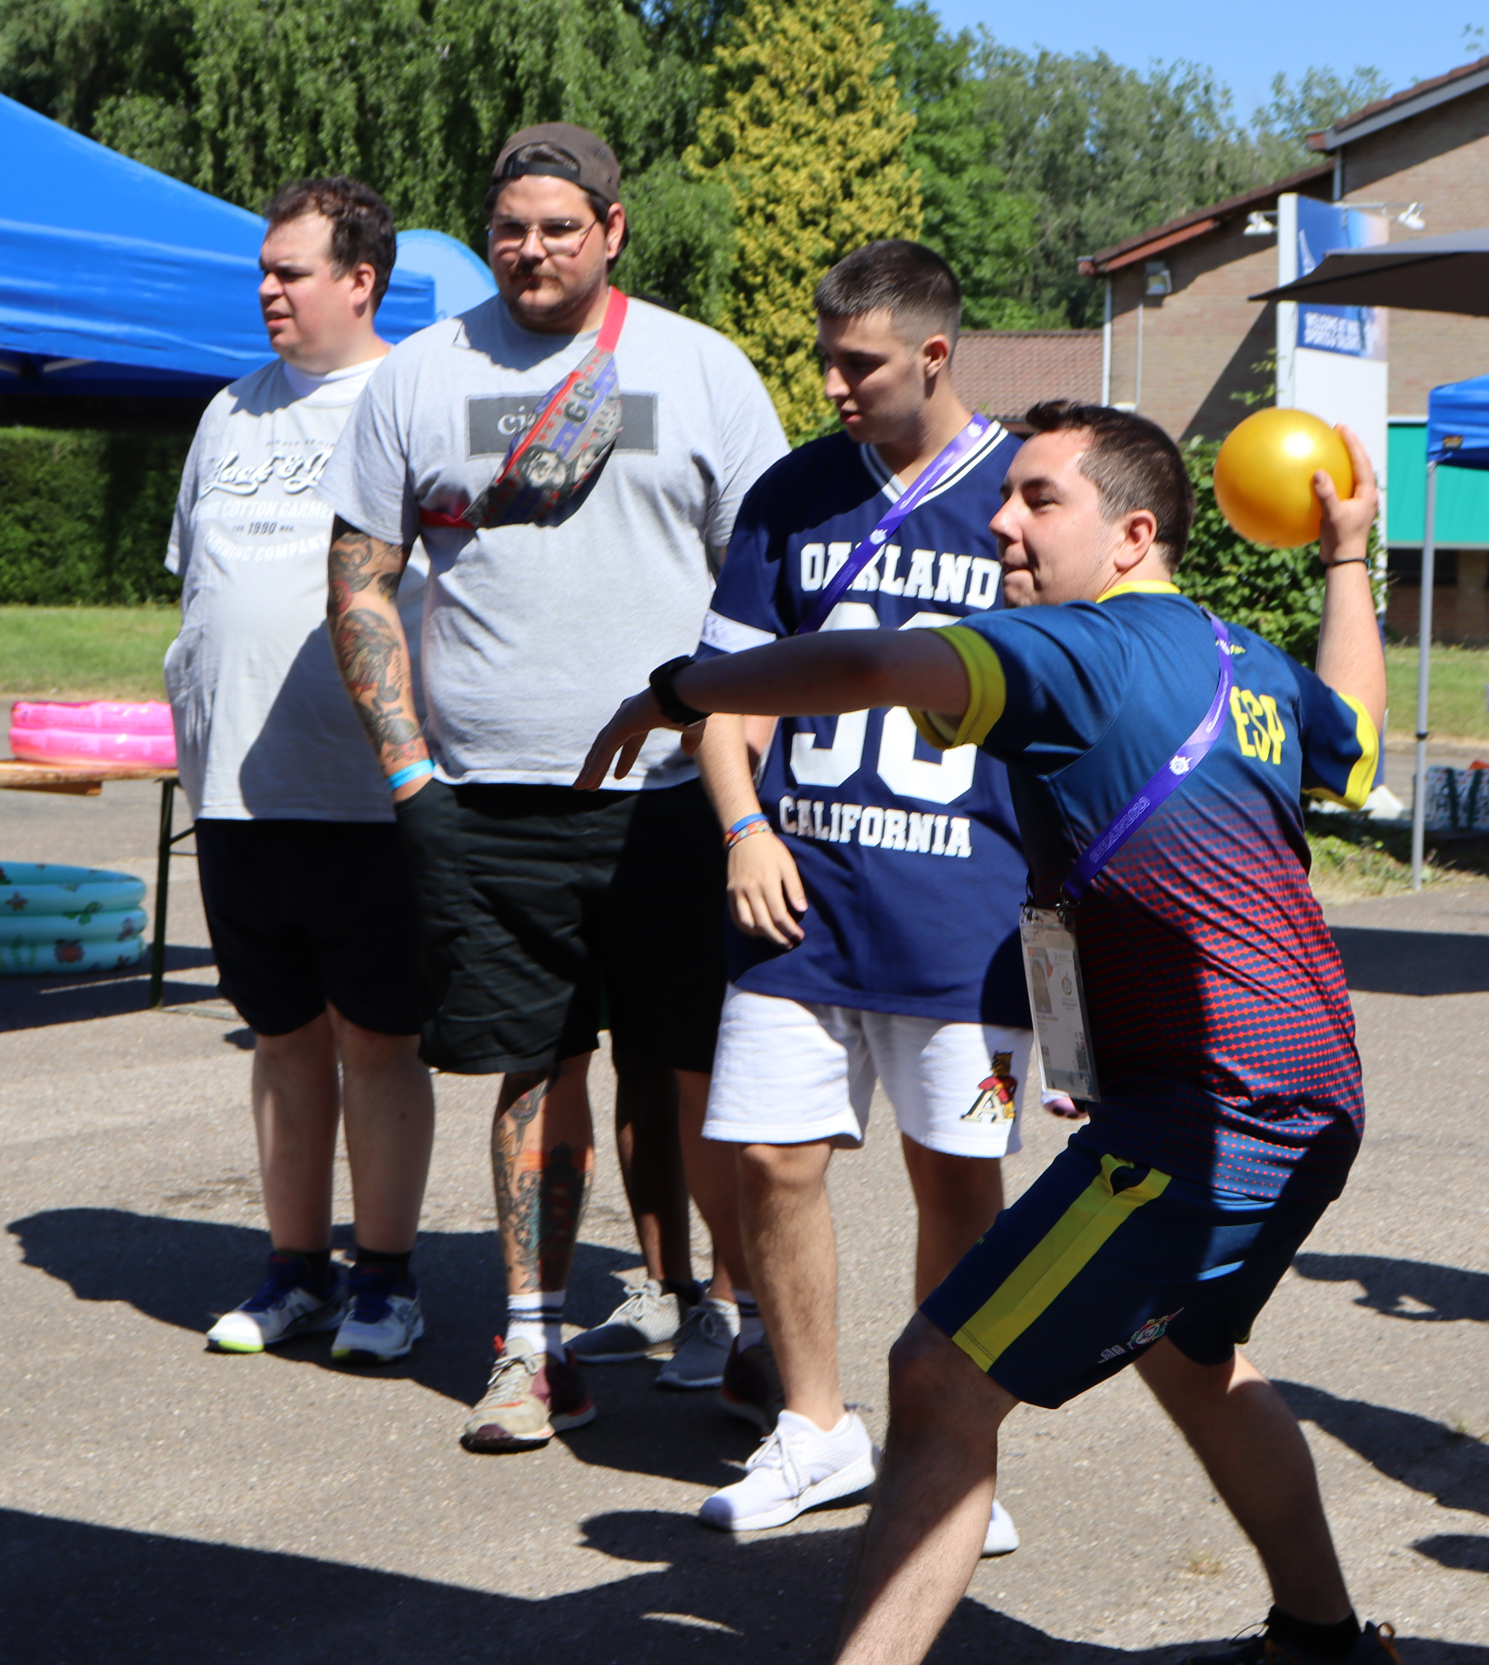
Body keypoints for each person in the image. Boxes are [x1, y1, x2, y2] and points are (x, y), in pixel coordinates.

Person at [579, 401, 1402, 1665]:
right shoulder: (1247, 662)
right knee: (1195, 1358)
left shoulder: (1080, 652)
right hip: (1304, 1090)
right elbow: (1354, 743)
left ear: (1132, 534)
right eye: (1005, 496)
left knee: (938, 1378)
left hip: (1214, 1112)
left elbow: (864, 666)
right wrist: (1347, 558)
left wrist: (681, 689)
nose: (1003, 524)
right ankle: (1325, 1640)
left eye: (1038, 501)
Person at [317, 124, 787, 1452]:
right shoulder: (420, 375)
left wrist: (743, 782)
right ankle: (531, 1348)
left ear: (614, 229)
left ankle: (744, 1324)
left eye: (560, 228)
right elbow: (360, 581)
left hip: (678, 800)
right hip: (486, 803)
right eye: (512, 227)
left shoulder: (699, 370)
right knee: (531, 1073)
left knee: (704, 1073)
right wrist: (410, 771)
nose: (533, 251)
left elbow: (763, 593)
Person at [688, 240, 1043, 1550]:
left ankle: (951, 1453)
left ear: (936, 354)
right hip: (801, 902)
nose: (832, 382)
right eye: (825, 356)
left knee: (959, 1176)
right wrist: (741, 826)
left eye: (861, 362)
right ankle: (814, 1427)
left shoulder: (1023, 493)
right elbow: (716, 694)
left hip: (970, 923)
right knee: (773, 1161)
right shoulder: (791, 491)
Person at [165, 177, 435, 1363]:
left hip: (367, 793)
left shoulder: (412, 400)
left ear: (359, 280)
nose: (269, 289)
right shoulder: (229, 410)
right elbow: (197, 578)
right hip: (236, 790)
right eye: (264, 271)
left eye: (292, 271)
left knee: (376, 1038)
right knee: (279, 1035)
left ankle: (386, 1281)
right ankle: (295, 1271)